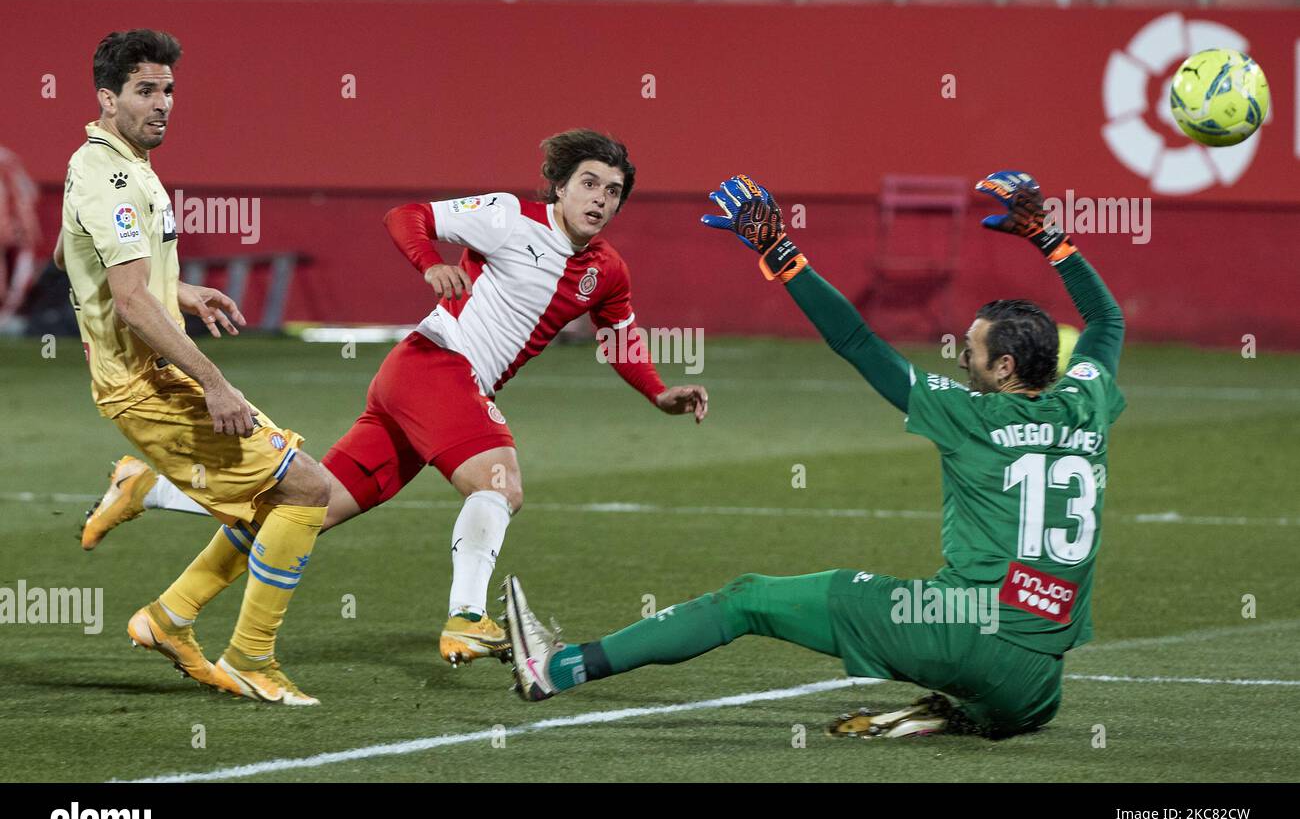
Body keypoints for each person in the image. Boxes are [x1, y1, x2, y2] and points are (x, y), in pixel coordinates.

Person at [501, 170, 1125, 739]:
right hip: (1038, 680)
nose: (960, 359)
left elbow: (855, 340)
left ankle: (560, 667)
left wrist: (781, 254)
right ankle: (979, 711)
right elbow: (1106, 321)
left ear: (1007, 367)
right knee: (1019, 696)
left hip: (958, 630)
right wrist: (1051, 237)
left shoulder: (972, 415)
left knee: (748, 598)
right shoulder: (1087, 400)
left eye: (972, 351)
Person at [78, 129, 710, 667]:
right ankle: (466, 616)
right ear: (561, 186)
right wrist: (426, 263)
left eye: (613, 192)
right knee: (500, 482)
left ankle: (153, 514)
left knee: (310, 505)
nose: (600, 199)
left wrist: (658, 394)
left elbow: (620, 336)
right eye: (590, 183)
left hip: (432, 387)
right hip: (435, 366)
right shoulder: (508, 216)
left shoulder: (608, 269)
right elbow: (407, 216)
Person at [59, 30, 332, 705]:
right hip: (143, 383)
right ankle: (250, 658)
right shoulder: (109, 175)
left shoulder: (125, 165)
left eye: (169, 90)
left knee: (277, 495)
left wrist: (178, 290)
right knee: (306, 489)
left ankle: (168, 619)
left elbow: (94, 267)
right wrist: (216, 382)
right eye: (146, 91)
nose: (163, 104)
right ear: (107, 98)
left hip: (150, 373)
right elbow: (126, 301)